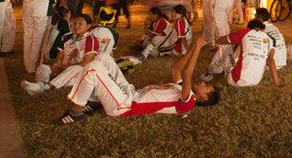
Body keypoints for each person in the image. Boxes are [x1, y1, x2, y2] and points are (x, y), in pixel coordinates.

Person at [56, 22, 219, 123]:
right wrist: (191, 51)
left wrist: (197, 48)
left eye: (207, 87)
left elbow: (187, 73)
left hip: (124, 106)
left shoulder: (188, 102)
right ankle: (94, 99)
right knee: (103, 57)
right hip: (129, 92)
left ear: (204, 98)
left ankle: (75, 112)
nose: (204, 83)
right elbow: (176, 69)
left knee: (93, 69)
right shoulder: (184, 89)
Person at [21, 13, 109, 95]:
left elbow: (86, 63)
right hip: (63, 69)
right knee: (42, 67)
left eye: (80, 24)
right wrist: (57, 64)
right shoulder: (67, 37)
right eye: (74, 23)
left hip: (79, 74)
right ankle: (40, 83)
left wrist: (62, 67)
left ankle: (46, 87)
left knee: (77, 68)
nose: (76, 26)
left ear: (88, 26)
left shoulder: (91, 40)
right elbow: (60, 55)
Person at [18, 0, 64, 75]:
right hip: (42, 10)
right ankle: (33, 67)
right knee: (38, 38)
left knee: (28, 37)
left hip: (27, 8)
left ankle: (28, 64)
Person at [204, 19, 281, 88]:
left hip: (237, 79)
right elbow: (270, 60)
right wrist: (277, 83)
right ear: (263, 29)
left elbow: (221, 40)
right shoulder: (271, 39)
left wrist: (216, 42)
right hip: (256, 81)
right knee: (242, 49)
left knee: (225, 46)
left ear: (248, 28)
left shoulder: (244, 32)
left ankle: (210, 73)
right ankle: (221, 73)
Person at [254, 7, 287, 72]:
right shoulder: (275, 28)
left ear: (259, 19)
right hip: (282, 62)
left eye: (255, 16)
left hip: (270, 65)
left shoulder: (260, 30)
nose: (254, 18)